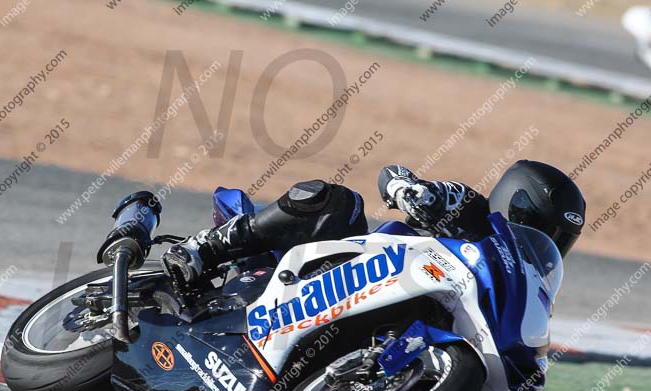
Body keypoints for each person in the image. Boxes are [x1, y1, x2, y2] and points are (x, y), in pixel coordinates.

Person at [161, 160, 586, 290]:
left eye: (558, 240)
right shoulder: (469, 208)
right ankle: (207, 247)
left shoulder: (524, 288)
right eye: (541, 227)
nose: (548, 244)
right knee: (337, 201)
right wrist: (410, 191)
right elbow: (393, 174)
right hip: (354, 269)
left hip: (408, 317)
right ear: (516, 205)